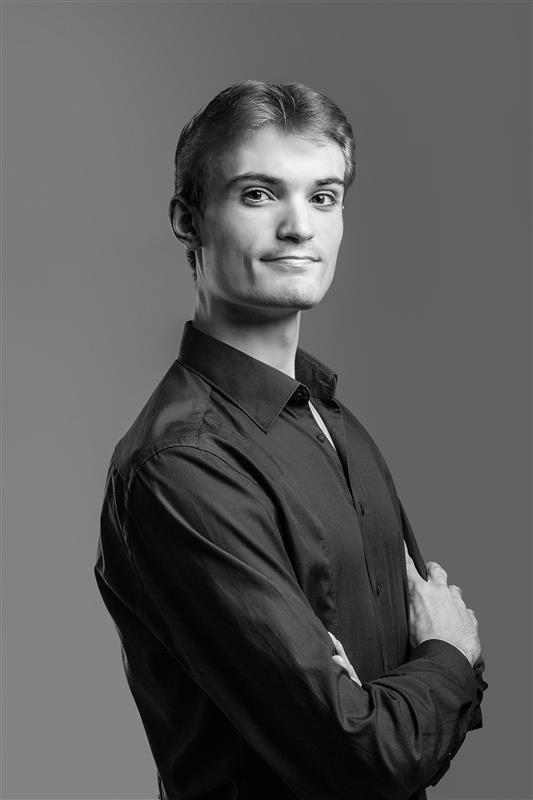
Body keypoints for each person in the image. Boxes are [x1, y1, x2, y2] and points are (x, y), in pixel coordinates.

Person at [95, 81, 487, 800]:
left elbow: (434, 682)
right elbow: (367, 756)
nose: (299, 227)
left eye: (323, 197)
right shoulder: (182, 464)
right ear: (188, 218)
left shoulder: (332, 421)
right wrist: (443, 659)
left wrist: (426, 671)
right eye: (258, 194)